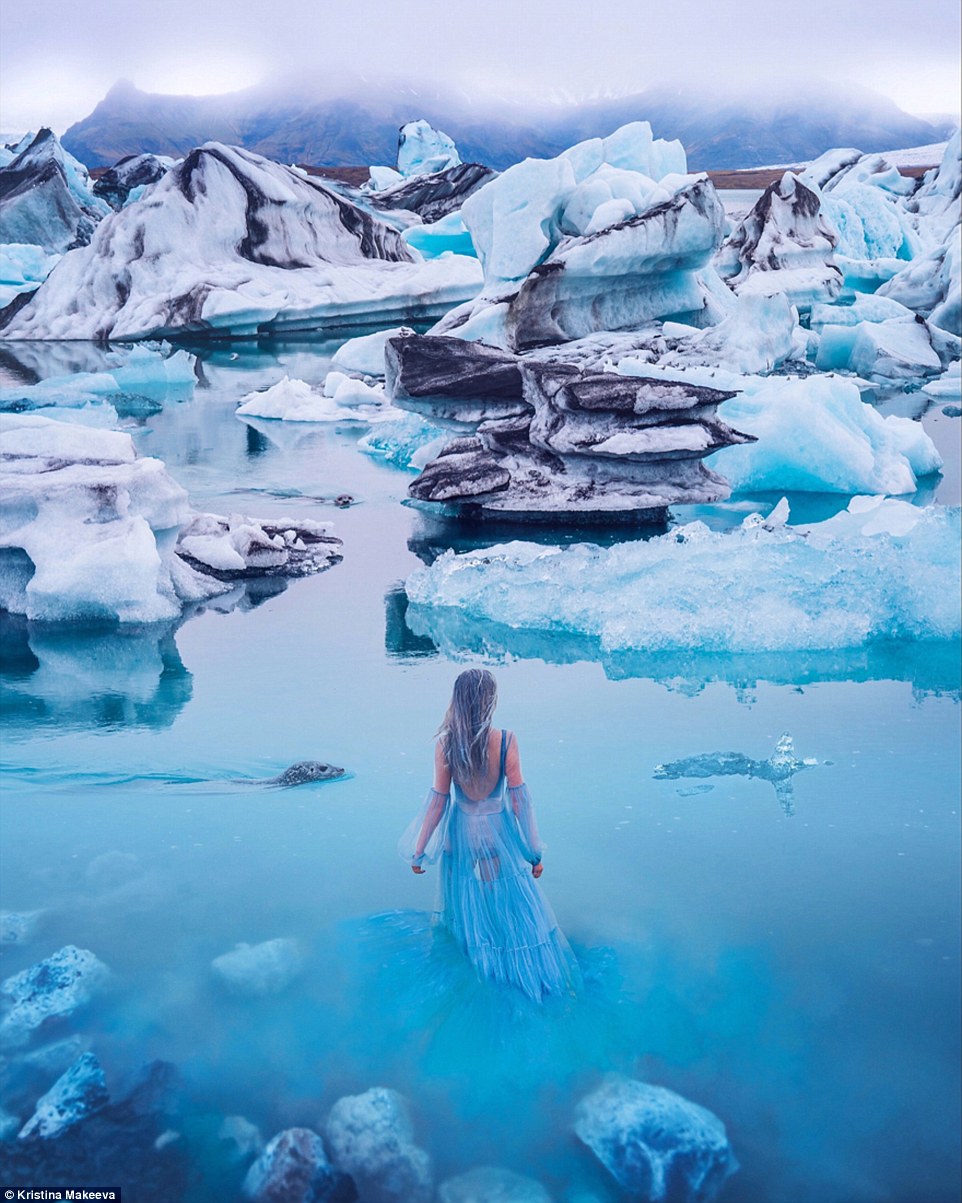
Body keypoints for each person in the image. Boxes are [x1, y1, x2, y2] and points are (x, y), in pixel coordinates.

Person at [399, 668, 578, 1002]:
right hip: (498, 834)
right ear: (489, 702)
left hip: (461, 833)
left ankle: (480, 968)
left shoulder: (446, 744)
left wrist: (420, 850)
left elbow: (439, 802)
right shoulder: (506, 740)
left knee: (468, 903)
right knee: (504, 900)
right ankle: (515, 968)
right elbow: (520, 801)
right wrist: (533, 852)